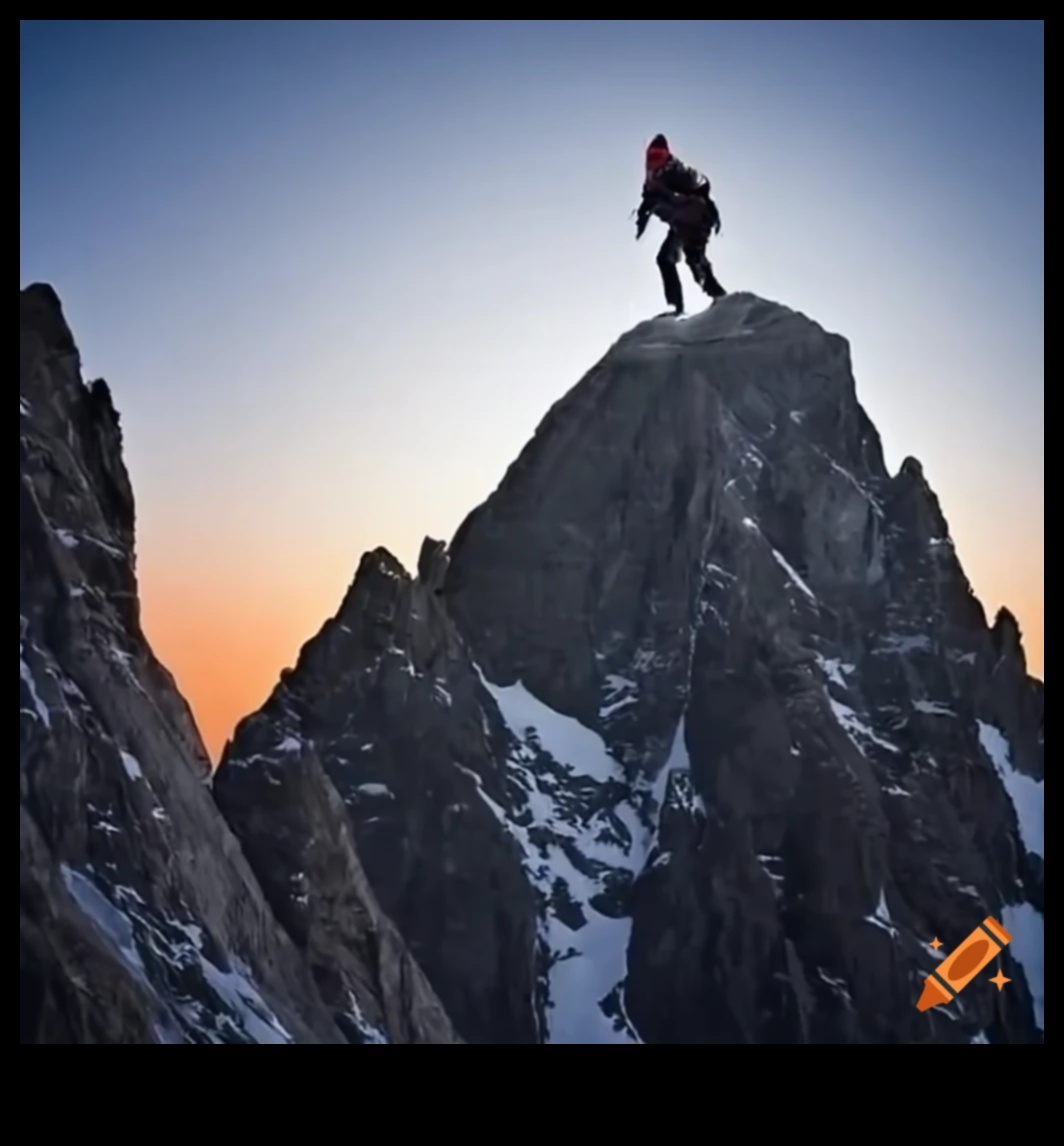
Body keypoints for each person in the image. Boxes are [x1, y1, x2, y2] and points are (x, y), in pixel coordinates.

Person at [635, 134, 726, 314]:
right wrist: (641, 220)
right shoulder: (652, 182)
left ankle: (721, 297)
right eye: (652, 156)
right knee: (664, 259)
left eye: (658, 156)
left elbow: (702, 189)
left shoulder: (676, 173)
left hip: (696, 221)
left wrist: (713, 213)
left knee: (695, 260)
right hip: (679, 225)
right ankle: (676, 306)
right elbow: (647, 203)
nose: (654, 161)